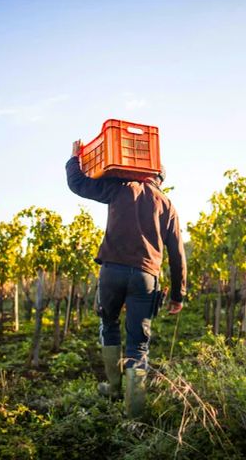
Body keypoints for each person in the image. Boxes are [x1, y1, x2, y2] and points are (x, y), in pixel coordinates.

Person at [65, 139, 186, 418]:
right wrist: (178, 295)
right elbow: (177, 254)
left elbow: (79, 185)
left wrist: (74, 159)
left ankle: (114, 385)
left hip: (112, 272)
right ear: (159, 179)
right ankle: (134, 412)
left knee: (108, 323)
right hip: (146, 277)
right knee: (138, 342)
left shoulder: (120, 188)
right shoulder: (167, 205)